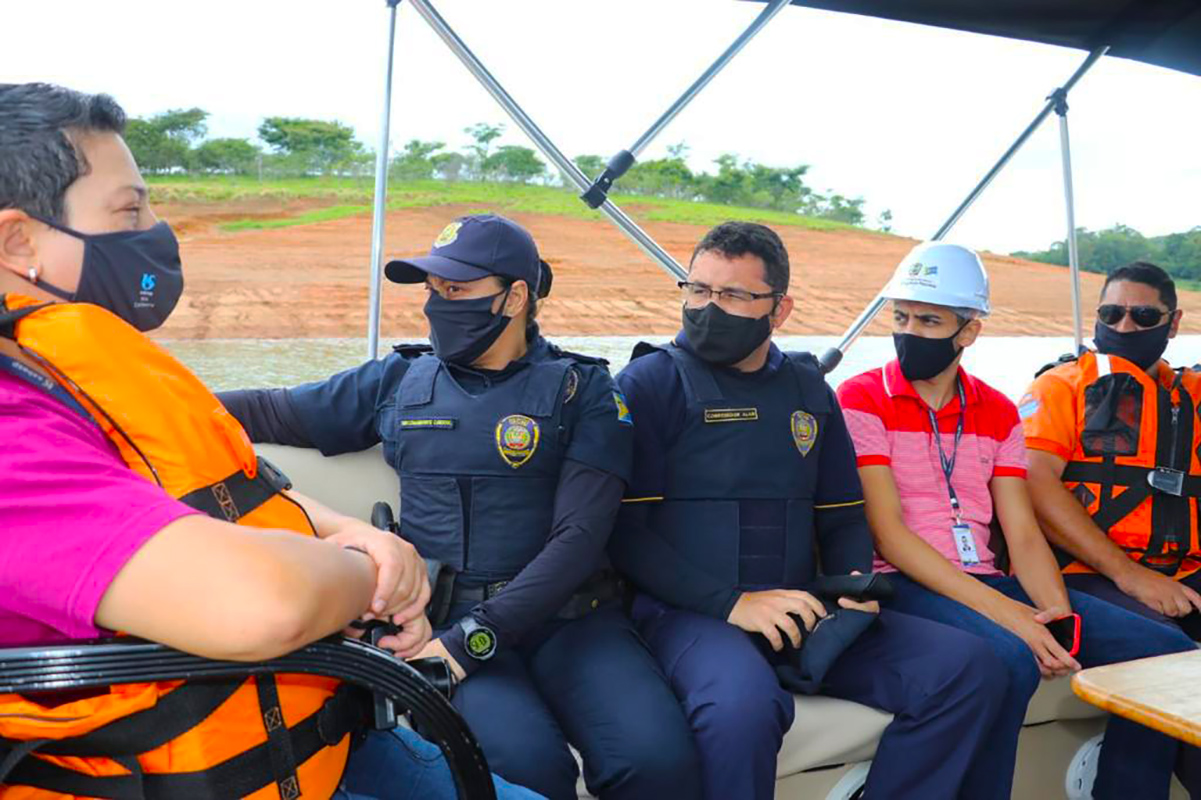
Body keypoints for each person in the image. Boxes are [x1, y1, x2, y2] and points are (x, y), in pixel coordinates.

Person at [0, 82, 537, 800]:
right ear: (17, 241)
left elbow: (235, 488)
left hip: (312, 736)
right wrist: (366, 569)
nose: (157, 231)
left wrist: (356, 531)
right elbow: (264, 603)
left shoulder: (74, 374)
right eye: (130, 209)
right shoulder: (15, 425)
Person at [220, 213, 702, 800]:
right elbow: (272, 412)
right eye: (432, 290)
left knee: (659, 763)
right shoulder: (398, 379)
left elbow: (579, 537)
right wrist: (152, 403)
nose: (435, 304)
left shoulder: (584, 390)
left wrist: (468, 644)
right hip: (439, 619)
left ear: (515, 296)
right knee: (523, 771)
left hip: (572, 623)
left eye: (456, 290)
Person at [608, 221, 1012, 800]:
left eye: (734, 296)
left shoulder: (808, 389)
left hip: (801, 606)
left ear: (780, 310)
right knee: (742, 710)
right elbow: (626, 535)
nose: (708, 308)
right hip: (689, 614)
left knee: (969, 669)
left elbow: (843, 514)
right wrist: (734, 604)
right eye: (697, 290)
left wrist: (848, 588)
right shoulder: (650, 383)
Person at [837, 242, 1199, 800]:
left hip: (985, 580)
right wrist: (1014, 616)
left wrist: (1051, 608)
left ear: (969, 331)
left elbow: (1023, 530)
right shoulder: (863, 397)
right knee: (1009, 657)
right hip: (902, 581)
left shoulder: (996, 410)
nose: (910, 331)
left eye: (930, 319)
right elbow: (890, 535)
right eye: (902, 316)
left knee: (1164, 653)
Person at [1022, 261, 1201, 641]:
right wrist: (1129, 574)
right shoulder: (1059, 387)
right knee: (1166, 650)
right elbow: (1033, 481)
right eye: (1111, 314)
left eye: (1144, 316)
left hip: (1184, 569)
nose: (1123, 327)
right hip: (1084, 572)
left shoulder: (1192, 394)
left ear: (1172, 323)